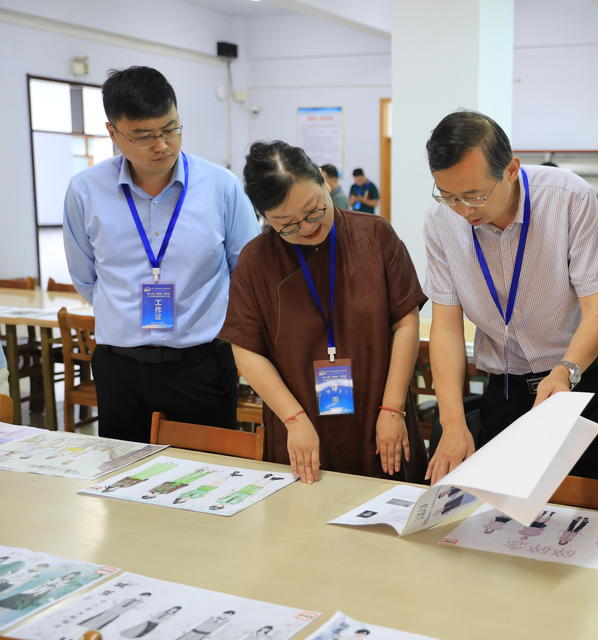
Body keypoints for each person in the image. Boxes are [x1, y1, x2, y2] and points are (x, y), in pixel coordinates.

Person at [423, 110, 598, 484]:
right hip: (507, 388)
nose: (463, 210)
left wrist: (565, 371)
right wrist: (452, 422)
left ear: (511, 169)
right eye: (449, 196)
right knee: (501, 509)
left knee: (590, 508)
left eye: (474, 195)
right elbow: (447, 328)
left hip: (580, 381)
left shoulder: (568, 197)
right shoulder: (441, 222)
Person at [63, 66, 260, 443]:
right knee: (123, 469)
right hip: (120, 367)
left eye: (171, 129)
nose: (162, 145)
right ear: (113, 133)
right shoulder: (85, 191)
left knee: (208, 471)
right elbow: (85, 277)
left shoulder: (220, 187)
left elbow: (247, 275)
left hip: (202, 364)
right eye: (143, 136)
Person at [220, 141, 427, 483]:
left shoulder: (374, 235)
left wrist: (393, 408)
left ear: (322, 180)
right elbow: (246, 349)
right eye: (286, 224)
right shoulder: (256, 261)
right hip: (301, 430)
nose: (306, 228)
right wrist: (293, 419)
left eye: (313, 210)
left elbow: (405, 321)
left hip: (381, 420)